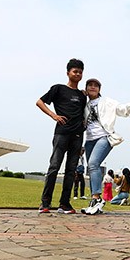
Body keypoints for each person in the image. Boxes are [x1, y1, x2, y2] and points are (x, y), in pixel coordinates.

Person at [81, 78, 130, 215]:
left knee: (93, 164)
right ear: (86, 88)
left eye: (96, 86)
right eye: (90, 85)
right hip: (89, 139)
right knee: (91, 169)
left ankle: (96, 198)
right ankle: (95, 201)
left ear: (99, 89)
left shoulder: (106, 101)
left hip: (104, 137)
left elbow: (119, 109)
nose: (93, 87)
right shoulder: (84, 104)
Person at [36, 58, 87, 214]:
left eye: (80, 72)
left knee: (71, 171)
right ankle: (45, 204)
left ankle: (64, 204)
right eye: (75, 71)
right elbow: (39, 102)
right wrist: (54, 115)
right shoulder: (58, 89)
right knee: (54, 167)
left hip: (77, 136)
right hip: (62, 134)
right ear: (68, 73)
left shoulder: (82, 95)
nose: (77, 74)